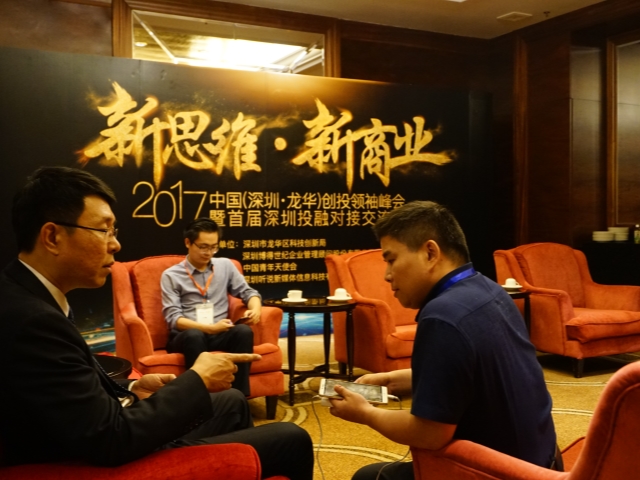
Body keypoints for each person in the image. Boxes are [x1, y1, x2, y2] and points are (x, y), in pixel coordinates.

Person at [0, 166, 313, 480]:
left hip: (98, 430)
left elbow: (63, 395)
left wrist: (133, 386)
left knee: (231, 400)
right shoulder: (32, 321)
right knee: (291, 438)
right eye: (104, 230)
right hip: (99, 455)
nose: (115, 245)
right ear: (52, 237)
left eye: (114, 231)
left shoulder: (29, 296)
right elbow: (109, 437)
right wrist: (197, 379)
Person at [328, 201, 558, 479]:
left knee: (368, 477)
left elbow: (430, 433)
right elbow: (476, 375)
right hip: (544, 462)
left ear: (430, 253)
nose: (387, 275)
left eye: (391, 260)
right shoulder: (489, 290)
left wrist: (365, 413)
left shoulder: (442, 316)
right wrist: (396, 379)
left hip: (501, 472)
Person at [161, 218, 261, 396]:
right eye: (203, 247)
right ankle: (200, 398)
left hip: (219, 333)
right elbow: (174, 319)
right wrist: (210, 328)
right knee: (194, 335)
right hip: (187, 336)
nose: (209, 253)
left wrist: (255, 309)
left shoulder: (225, 266)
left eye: (214, 247)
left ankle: (238, 396)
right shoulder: (171, 275)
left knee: (243, 331)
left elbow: (248, 292)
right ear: (188, 243)